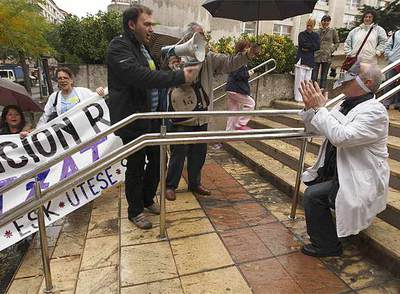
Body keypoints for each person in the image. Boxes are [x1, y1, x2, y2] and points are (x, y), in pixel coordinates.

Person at [106, 5, 199, 229]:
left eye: (151, 24)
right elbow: (140, 76)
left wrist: (173, 69)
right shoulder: (119, 46)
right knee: (136, 166)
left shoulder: (143, 48)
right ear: (131, 24)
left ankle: (147, 200)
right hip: (133, 120)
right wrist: (177, 77)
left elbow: (153, 76)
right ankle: (135, 211)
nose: (151, 28)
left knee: (158, 161)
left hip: (152, 119)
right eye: (146, 24)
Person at [298, 62, 389, 257]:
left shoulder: (375, 112)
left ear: (367, 82)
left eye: (355, 72)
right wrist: (310, 109)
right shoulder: (344, 104)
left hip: (361, 177)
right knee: (314, 186)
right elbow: (317, 128)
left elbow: (342, 137)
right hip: (339, 171)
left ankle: (326, 246)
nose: (347, 74)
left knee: (313, 196)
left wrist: (321, 108)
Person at [165, 22, 257, 201]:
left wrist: (246, 55)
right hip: (183, 115)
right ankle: (170, 185)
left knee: (199, 152)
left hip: (202, 115)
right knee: (178, 151)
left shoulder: (209, 57)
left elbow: (229, 62)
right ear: (188, 38)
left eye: (203, 36)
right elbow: (182, 82)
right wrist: (185, 63)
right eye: (198, 37)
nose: (203, 40)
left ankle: (195, 183)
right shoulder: (176, 56)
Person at [37, 67, 105, 127]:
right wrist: (37, 133)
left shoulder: (83, 92)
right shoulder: (54, 97)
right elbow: (45, 116)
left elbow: (97, 98)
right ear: (57, 81)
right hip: (66, 134)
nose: (63, 80)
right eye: (60, 78)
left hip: (83, 130)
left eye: (65, 78)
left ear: (71, 80)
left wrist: (100, 91)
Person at [225, 39, 256, 131]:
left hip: (231, 89)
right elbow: (237, 74)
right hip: (235, 89)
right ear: (243, 48)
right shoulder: (239, 59)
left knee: (233, 113)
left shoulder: (237, 58)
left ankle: (227, 135)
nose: (249, 49)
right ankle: (241, 124)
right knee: (251, 103)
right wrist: (248, 74)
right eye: (247, 47)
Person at [294, 18, 320, 102]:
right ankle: (298, 97)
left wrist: (308, 47)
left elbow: (317, 46)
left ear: (313, 26)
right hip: (301, 59)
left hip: (310, 60)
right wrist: (311, 46)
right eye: (308, 25)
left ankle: (305, 97)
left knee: (307, 80)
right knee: (299, 80)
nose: (309, 27)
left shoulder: (316, 35)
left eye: (311, 26)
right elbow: (302, 44)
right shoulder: (301, 34)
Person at [312, 15, 339, 89]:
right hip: (317, 55)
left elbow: (337, 42)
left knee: (324, 76)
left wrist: (331, 50)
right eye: (324, 20)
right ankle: (313, 90)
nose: (326, 22)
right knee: (314, 75)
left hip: (327, 55)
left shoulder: (333, 31)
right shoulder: (317, 31)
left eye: (327, 21)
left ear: (329, 22)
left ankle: (322, 91)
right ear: (321, 21)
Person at [383, 29, 400, 109]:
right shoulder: (396, 34)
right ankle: (386, 102)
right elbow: (387, 46)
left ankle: (398, 103)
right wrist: (390, 55)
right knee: (389, 83)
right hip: (393, 62)